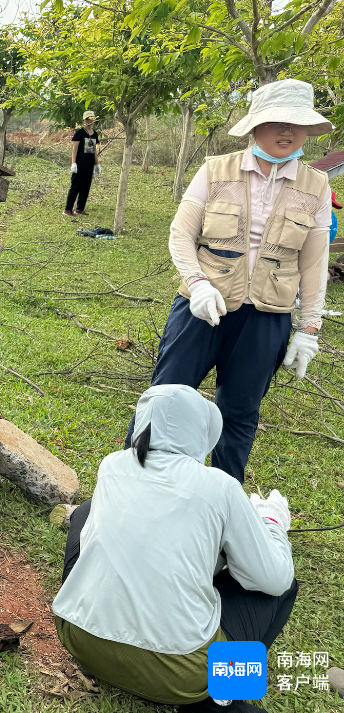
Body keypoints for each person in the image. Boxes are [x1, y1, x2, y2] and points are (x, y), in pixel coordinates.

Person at [126, 79, 334, 483]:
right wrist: (198, 283)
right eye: (276, 121)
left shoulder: (316, 186)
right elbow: (180, 234)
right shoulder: (215, 170)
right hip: (200, 309)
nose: (286, 131)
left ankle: (221, 509)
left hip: (265, 319)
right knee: (164, 398)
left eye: (296, 123)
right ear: (255, 126)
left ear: (308, 130)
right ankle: (133, 486)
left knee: (239, 414)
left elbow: (313, 263)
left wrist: (309, 328)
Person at [55, 384, 297, 713]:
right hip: (180, 673)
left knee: (84, 512)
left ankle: (107, 646)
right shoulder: (220, 487)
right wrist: (271, 523)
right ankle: (225, 694)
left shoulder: (112, 466)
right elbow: (274, 577)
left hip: (80, 638)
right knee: (283, 585)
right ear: (202, 433)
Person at [64, 110, 102, 218]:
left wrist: (97, 164)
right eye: (87, 119)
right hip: (79, 164)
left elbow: (94, 149)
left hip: (89, 164)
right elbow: (74, 149)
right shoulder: (80, 133)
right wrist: (73, 163)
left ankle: (80, 208)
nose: (89, 121)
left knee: (86, 187)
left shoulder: (94, 134)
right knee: (75, 186)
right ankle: (68, 209)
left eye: (91, 119)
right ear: (84, 120)